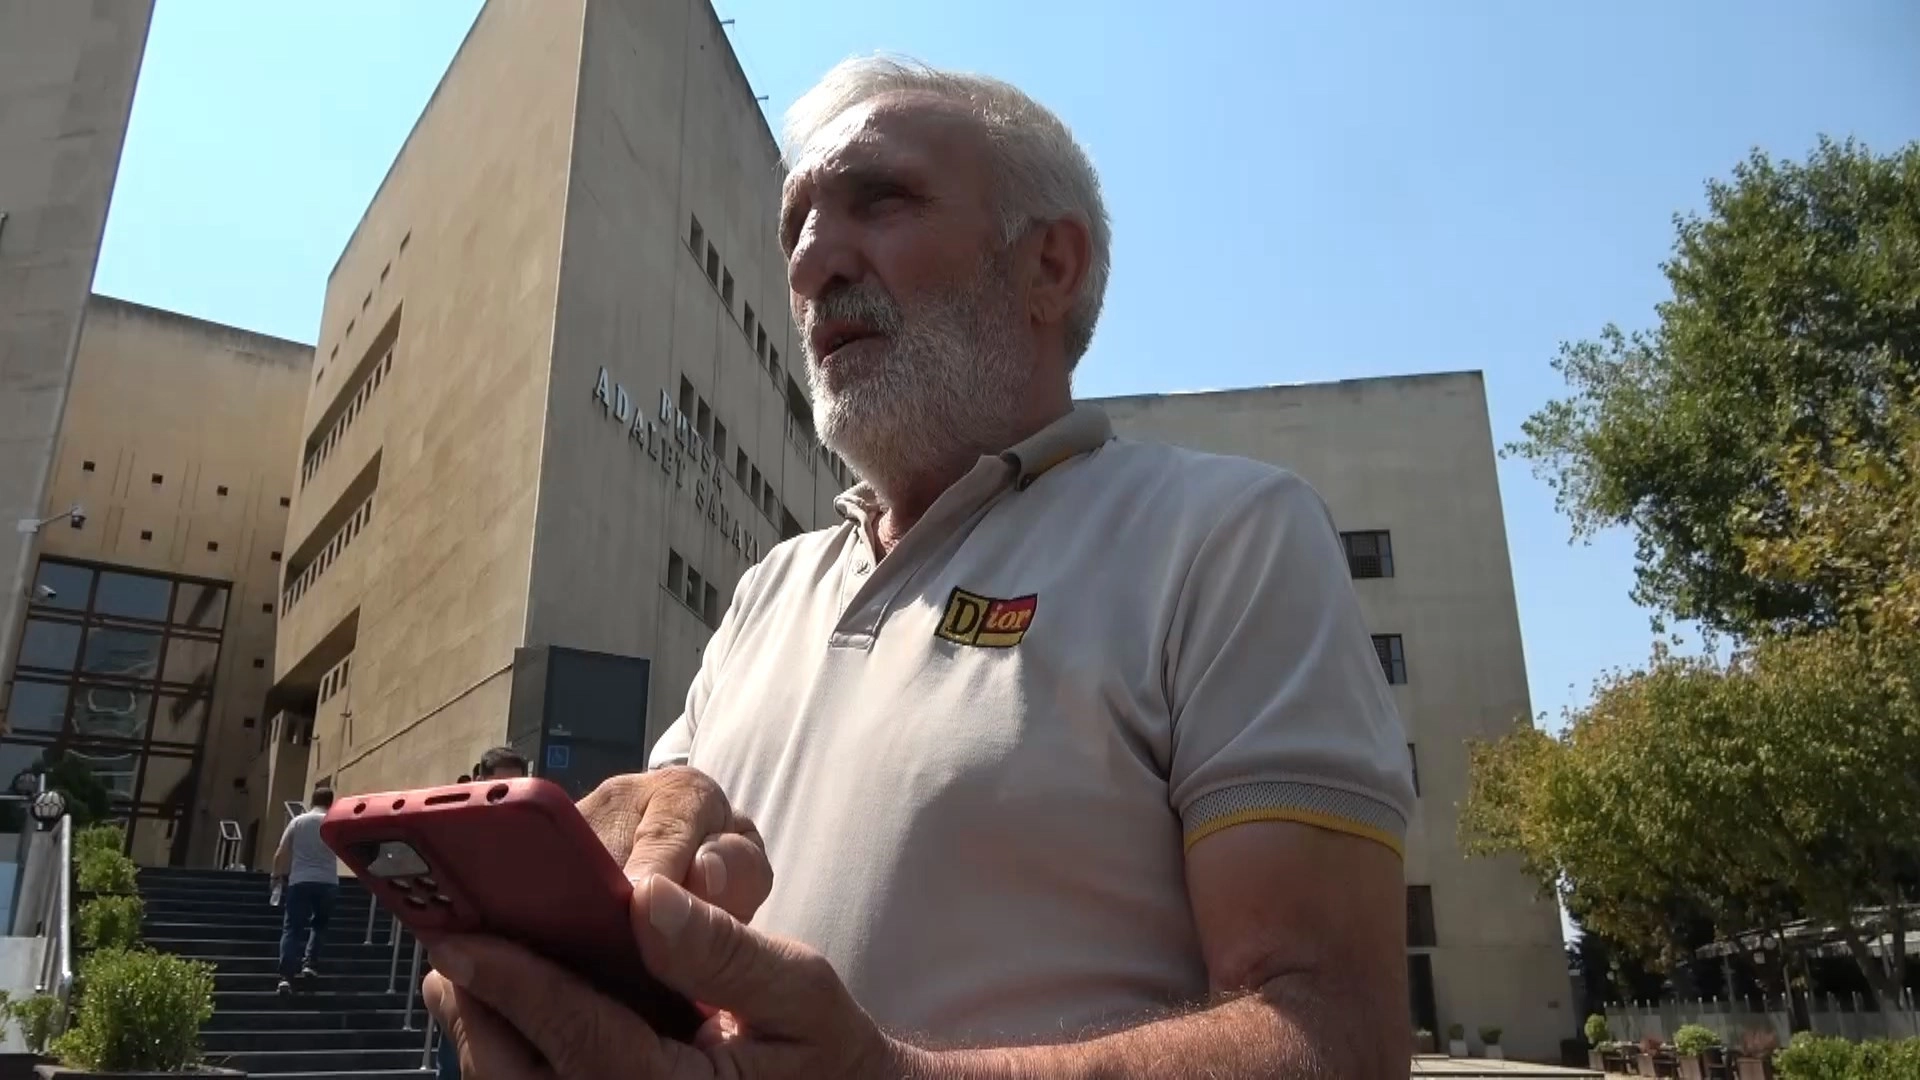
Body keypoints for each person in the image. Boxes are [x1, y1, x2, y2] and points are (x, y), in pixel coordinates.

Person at [424, 55, 1415, 1079]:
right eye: (794, 229)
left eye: (880, 199)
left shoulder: (1228, 537)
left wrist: (898, 1076)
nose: (811, 264)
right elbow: (664, 891)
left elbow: (1339, 1035)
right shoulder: (768, 592)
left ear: (1049, 266)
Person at [435, 747, 533, 1080]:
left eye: (513, 788)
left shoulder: (524, 828)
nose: (504, 797)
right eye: (497, 788)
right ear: (479, 780)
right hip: (464, 953)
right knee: (456, 1052)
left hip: (510, 955)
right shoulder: (457, 824)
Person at [271, 786, 338, 996]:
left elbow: (281, 852)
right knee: (320, 925)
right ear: (331, 803)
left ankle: (285, 977)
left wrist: (276, 876)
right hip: (327, 881)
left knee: (292, 928)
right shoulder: (334, 823)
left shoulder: (298, 822)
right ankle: (310, 964)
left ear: (312, 801)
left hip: (300, 880)